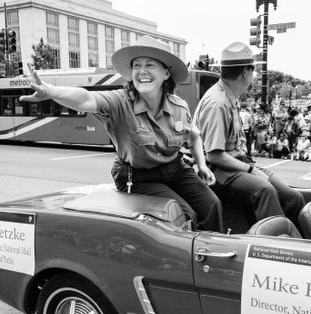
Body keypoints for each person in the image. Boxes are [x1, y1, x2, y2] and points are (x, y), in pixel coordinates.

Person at [20, 35, 222, 232]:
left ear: (166, 74)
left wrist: (202, 165)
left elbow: (194, 135)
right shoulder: (120, 102)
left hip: (174, 168)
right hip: (138, 176)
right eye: (136, 66)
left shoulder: (179, 106)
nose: (142, 71)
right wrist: (52, 91)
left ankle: (215, 255)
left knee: (212, 204)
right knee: (184, 215)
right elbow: (85, 99)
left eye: (150, 65)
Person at [194, 41, 305, 226]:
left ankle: (297, 245)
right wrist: (252, 170)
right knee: (265, 191)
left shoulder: (230, 97)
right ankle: (274, 249)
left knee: (293, 198)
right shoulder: (217, 103)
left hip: (236, 163)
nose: (253, 76)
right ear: (245, 72)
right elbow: (214, 155)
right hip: (217, 171)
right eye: (253, 71)